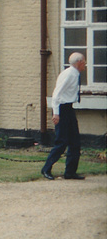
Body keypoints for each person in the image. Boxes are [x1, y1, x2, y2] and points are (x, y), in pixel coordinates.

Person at [41, 52, 86, 180]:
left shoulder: (74, 74)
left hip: (69, 108)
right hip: (62, 108)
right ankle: (46, 169)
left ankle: (70, 172)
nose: (85, 65)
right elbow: (56, 94)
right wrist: (56, 113)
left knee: (75, 141)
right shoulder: (68, 74)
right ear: (79, 63)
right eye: (84, 62)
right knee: (62, 141)